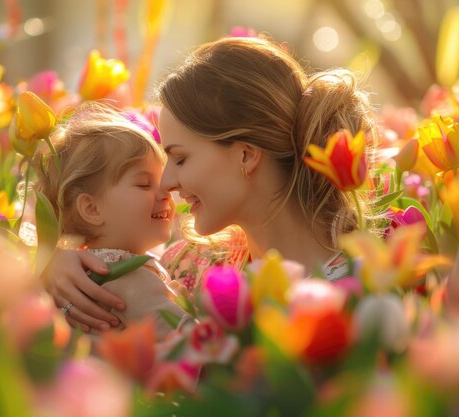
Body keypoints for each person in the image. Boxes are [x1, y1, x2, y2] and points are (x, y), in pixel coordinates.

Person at [43, 36, 375, 332]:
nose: (168, 182)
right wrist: (57, 260)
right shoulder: (192, 262)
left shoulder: (359, 289)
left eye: (181, 159)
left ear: (245, 155)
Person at [35, 103, 190, 340]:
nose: (165, 192)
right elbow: (186, 338)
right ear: (92, 208)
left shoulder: (84, 270)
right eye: (144, 184)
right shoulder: (121, 274)